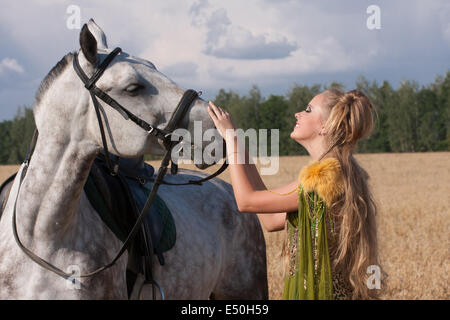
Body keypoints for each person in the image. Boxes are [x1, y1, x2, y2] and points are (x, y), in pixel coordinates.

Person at [207, 89, 380, 300]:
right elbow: (270, 219)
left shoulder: (323, 177)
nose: (298, 114)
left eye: (308, 110)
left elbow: (246, 201)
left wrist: (230, 136)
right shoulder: (342, 170)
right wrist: (237, 145)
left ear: (325, 126)